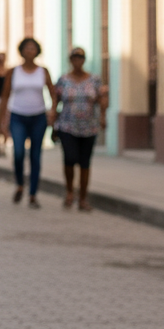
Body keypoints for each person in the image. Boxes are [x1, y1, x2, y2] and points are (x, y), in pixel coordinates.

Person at [0, 37, 56, 209]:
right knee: (18, 152)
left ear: (37, 51)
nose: (30, 51)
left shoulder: (43, 71)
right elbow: (5, 95)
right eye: (27, 48)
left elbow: (52, 92)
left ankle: (33, 194)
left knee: (36, 155)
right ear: (21, 51)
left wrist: (52, 110)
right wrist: (2, 119)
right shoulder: (13, 72)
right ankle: (20, 184)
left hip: (38, 116)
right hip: (18, 116)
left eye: (33, 48)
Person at [54, 47, 108, 211]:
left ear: (84, 60)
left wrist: (103, 116)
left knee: (85, 162)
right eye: (74, 58)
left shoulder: (94, 80)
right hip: (67, 125)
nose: (77, 61)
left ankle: (83, 197)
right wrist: (53, 121)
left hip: (88, 127)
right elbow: (56, 101)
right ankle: (70, 191)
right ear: (70, 60)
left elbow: (101, 100)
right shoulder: (63, 79)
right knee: (69, 158)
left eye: (81, 58)